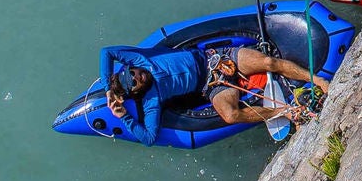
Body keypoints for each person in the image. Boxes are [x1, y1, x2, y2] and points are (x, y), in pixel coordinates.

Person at [102, 45, 330, 143]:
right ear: (136, 92)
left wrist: (106, 89)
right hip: (211, 86)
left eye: (133, 73)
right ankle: (285, 112)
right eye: (134, 82)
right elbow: (149, 138)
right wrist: (125, 118)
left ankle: (317, 79)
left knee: (268, 62)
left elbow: (107, 52)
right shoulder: (151, 101)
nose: (138, 77)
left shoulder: (141, 61)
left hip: (219, 57)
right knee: (230, 115)